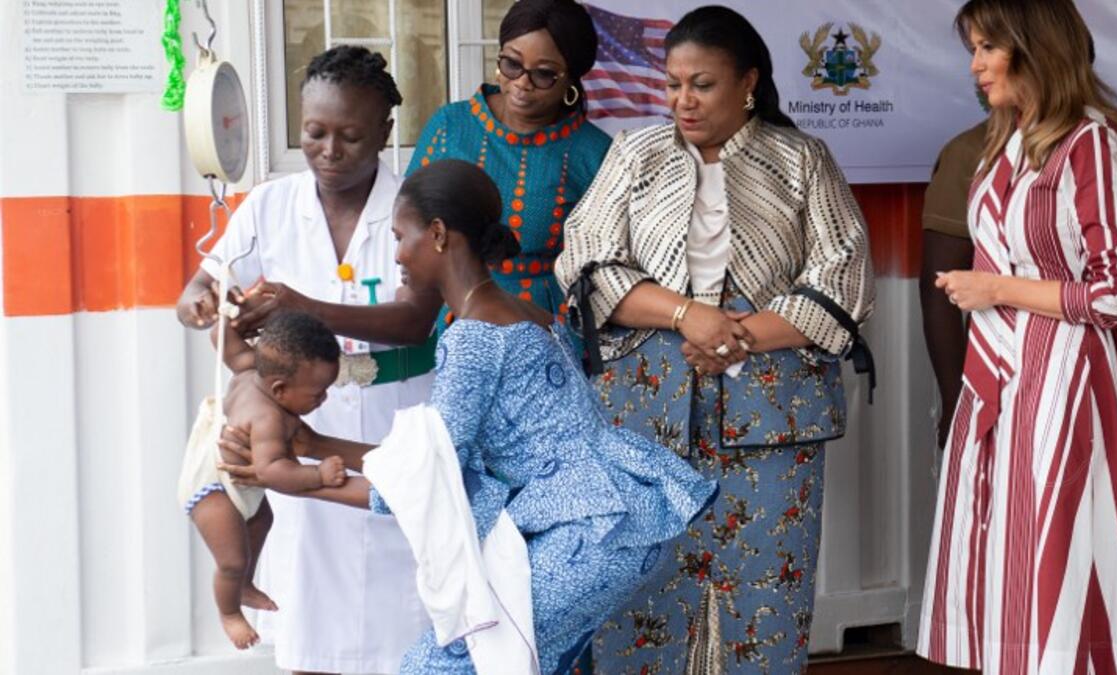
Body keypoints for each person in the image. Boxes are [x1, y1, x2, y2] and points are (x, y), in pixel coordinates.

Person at [221, 159, 719, 674]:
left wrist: (280, 478)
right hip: (625, 523)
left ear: (437, 235)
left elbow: (428, 486)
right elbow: (428, 461)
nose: (396, 256)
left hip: (587, 536)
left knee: (431, 668)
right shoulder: (524, 313)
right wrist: (314, 443)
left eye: (400, 237)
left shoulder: (473, 338)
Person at [555, 6, 875, 672]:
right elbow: (584, 261)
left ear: (748, 82)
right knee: (640, 593)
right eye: (673, 84)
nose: (682, 100)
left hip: (772, 414)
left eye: (701, 84)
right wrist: (687, 316)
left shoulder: (802, 161)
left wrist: (738, 334)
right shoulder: (635, 154)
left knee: (765, 594)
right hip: (645, 414)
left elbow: (843, 281)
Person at [174, 45, 441, 675]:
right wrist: (199, 303)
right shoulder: (269, 205)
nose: (329, 149)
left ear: (385, 131)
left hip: (389, 420)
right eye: (314, 132)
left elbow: (414, 319)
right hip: (292, 434)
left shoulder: (414, 208)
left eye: (350, 135)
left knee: (402, 614)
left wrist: (309, 307)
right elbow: (202, 286)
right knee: (306, 619)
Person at [917, 1, 1117, 672]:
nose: (975, 65)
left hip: (1063, 381)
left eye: (988, 47)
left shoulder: (1090, 142)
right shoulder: (1005, 140)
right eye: (973, 47)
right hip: (996, 377)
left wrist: (996, 289)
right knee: (1003, 565)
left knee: (1055, 560)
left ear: (1034, 48)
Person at [407, 0, 611, 332]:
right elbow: (411, 224)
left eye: (544, 74)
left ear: (571, 79)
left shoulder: (594, 153)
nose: (522, 83)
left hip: (549, 328)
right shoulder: (450, 127)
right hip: (459, 319)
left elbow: (605, 264)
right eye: (512, 64)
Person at [179, 312, 347, 650]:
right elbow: (272, 472)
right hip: (213, 487)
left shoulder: (249, 369)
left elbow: (220, 338)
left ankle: (244, 585)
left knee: (262, 519)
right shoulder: (268, 417)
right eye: (317, 394)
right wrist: (318, 473)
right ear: (280, 390)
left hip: (238, 484)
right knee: (231, 560)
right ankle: (229, 612)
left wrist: (228, 318)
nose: (323, 399)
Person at [920, 121, 986, 448]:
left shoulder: (1109, 136)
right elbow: (939, 287)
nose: (978, 66)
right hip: (1021, 380)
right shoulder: (975, 152)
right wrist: (956, 401)